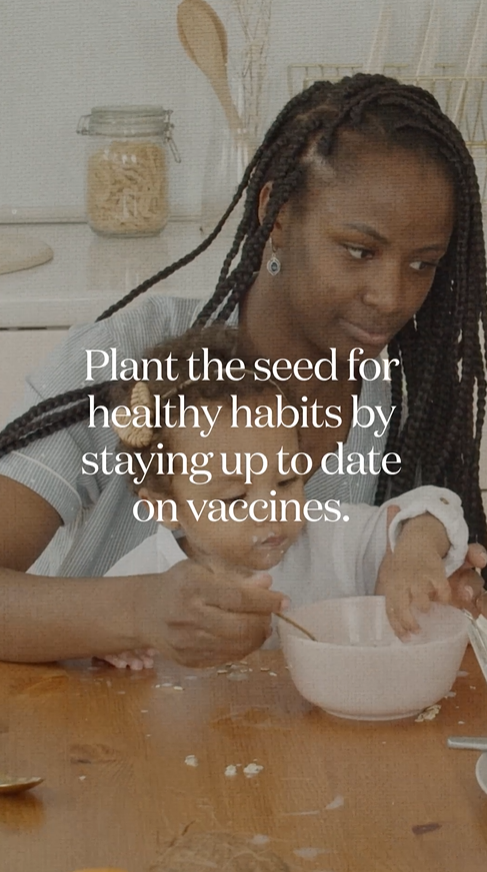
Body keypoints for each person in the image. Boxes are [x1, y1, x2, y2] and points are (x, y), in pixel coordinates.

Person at [0, 73, 485, 666]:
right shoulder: (132, 357)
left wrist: (436, 591)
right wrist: (140, 611)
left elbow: (406, 562)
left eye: (423, 264)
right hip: (85, 733)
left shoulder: (410, 409)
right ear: (276, 212)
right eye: (360, 251)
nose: (391, 296)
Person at [97, 325, 469, 670]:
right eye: (236, 498)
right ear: (165, 506)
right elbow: (93, 643)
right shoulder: (140, 581)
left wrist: (416, 551)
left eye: (287, 480)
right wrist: (112, 645)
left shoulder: (333, 540)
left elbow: (432, 506)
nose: (270, 509)